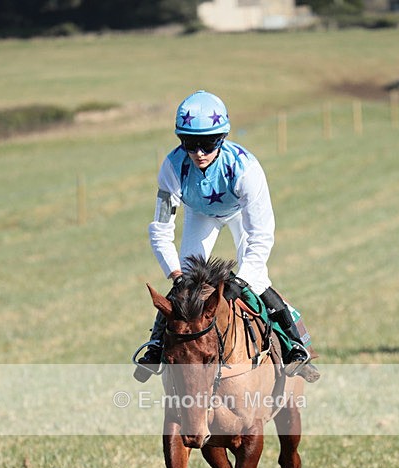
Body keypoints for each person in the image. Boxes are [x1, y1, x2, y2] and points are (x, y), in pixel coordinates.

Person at [134, 89, 319, 383]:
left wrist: (242, 281)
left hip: (240, 214)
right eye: (190, 143)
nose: (199, 153)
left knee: (256, 281)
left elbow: (261, 234)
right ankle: (156, 345)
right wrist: (175, 274)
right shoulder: (172, 166)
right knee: (186, 288)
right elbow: (160, 229)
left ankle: (294, 346)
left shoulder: (246, 169)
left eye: (208, 143)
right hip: (200, 214)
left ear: (222, 138)